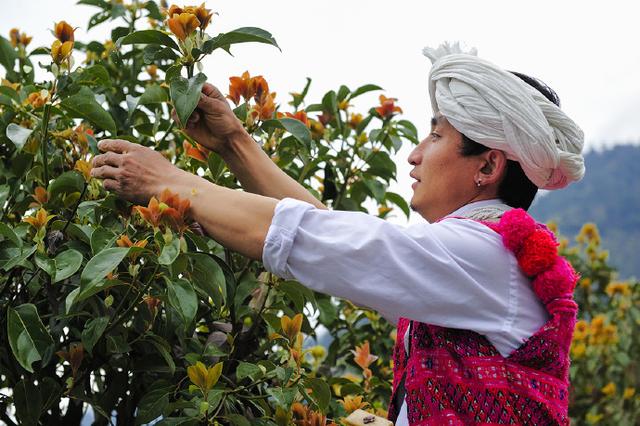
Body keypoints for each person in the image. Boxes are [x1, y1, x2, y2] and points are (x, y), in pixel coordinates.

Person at [91, 42, 585, 425]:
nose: (415, 155)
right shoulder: (480, 251)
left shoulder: (486, 254)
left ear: (489, 166)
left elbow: (329, 242)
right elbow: (336, 237)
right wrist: (234, 144)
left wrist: (169, 182)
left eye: (435, 136)